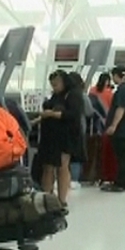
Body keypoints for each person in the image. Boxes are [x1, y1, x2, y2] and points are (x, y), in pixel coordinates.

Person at [33, 70, 85, 206]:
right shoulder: (56, 96)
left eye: (56, 84)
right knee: (48, 167)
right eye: (52, 85)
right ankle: (47, 197)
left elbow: (72, 115)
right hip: (51, 136)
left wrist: (52, 114)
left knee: (62, 166)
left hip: (65, 137)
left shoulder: (74, 95)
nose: (54, 88)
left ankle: (62, 199)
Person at [103, 66, 125, 192]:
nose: (113, 79)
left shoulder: (122, 90)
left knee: (122, 157)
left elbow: (120, 108)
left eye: (114, 76)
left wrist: (113, 125)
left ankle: (120, 183)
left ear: (119, 76)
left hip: (121, 129)